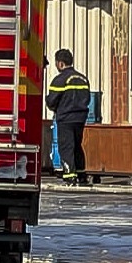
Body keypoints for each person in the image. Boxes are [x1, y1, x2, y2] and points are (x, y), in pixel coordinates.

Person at [46, 49, 93, 184]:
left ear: (60, 63)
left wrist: (54, 107)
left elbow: (52, 101)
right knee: (77, 145)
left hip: (65, 119)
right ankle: (81, 174)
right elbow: (87, 98)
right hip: (80, 119)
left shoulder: (60, 80)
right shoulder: (83, 79)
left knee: (66, 146)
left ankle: (69, 176)